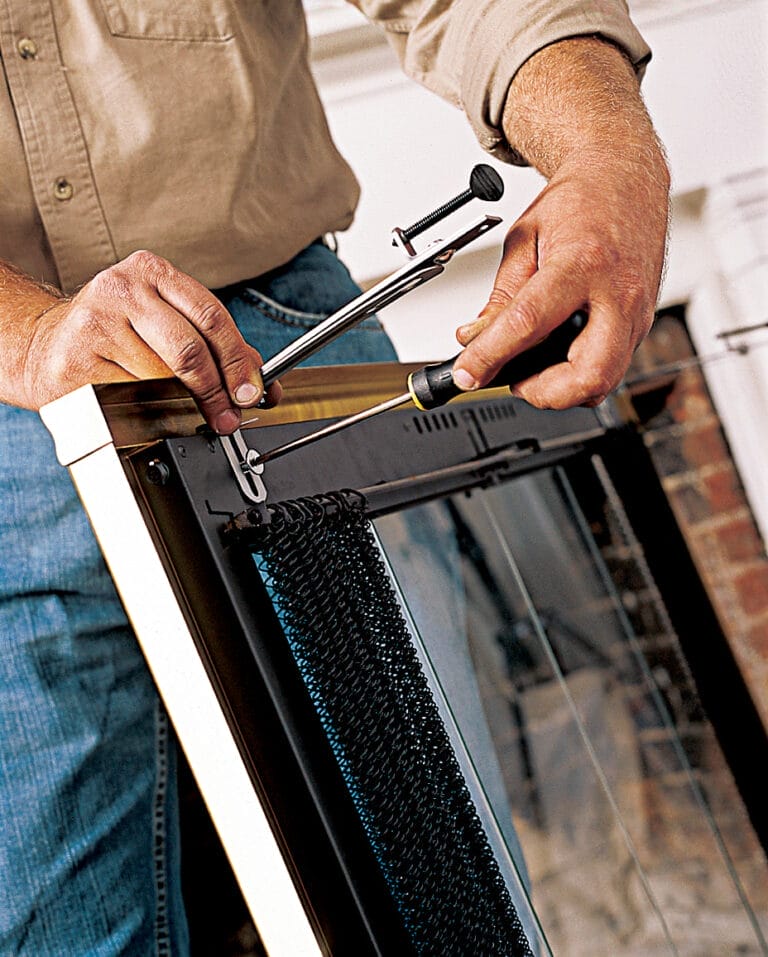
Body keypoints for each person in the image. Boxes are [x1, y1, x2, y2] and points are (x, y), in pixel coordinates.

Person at [0, 2, 669, 953]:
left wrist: (609, 155)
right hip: (7, 388)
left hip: (278, 345)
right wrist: (28, 335)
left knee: (442, 894)